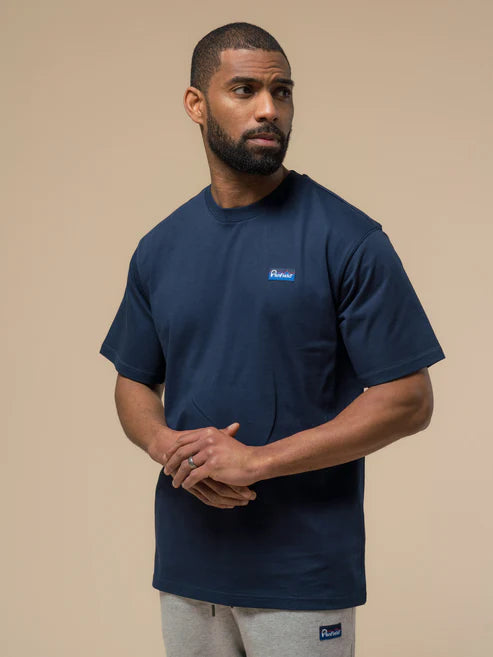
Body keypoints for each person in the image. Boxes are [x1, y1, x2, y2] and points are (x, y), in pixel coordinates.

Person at [99, 21, 446, 657]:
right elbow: (133, 382)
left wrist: (256, 462)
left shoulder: (348, 238)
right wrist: (167, 446)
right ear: (196, 104)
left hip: (300, 573)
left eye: (281, 91)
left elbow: (408, 399)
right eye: (245, 90)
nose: (269, 109)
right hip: (188, 567)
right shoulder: (160, 247)